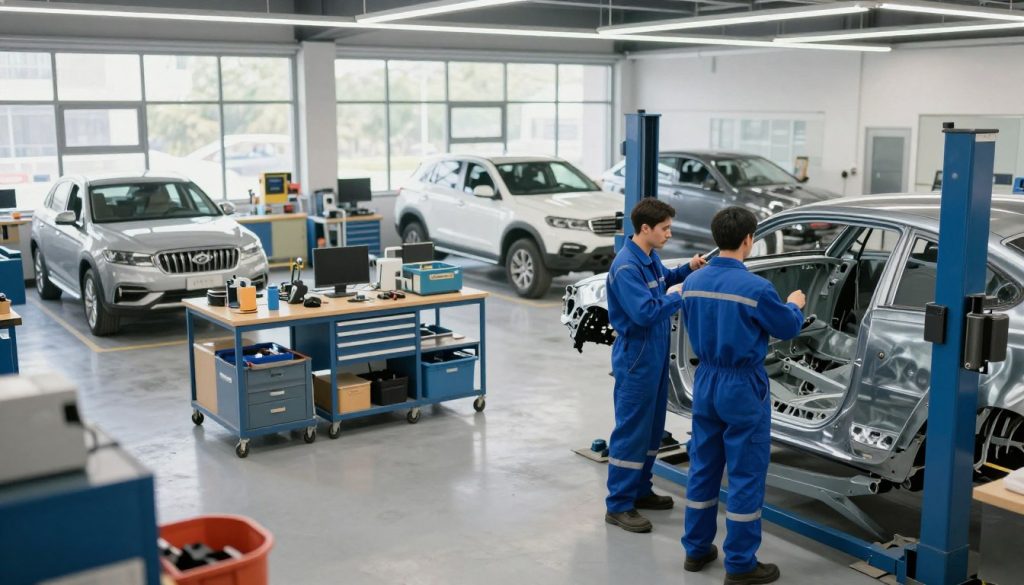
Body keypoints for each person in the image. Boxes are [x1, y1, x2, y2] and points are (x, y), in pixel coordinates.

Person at [679, 207, 805, 585]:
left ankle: (696, 549)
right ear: (749, 239)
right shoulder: (757, 289)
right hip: (742, 386)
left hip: (706, 380)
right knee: (746, 472)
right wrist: (795, 304)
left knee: (703, 465)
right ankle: (740, 563)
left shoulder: (694, 281)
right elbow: (785, 327)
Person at [604, 198, 707, 533]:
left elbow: (665, 279)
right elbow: (646, 312)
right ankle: (618, 505)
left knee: (651, 430)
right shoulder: (626, 267)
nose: (669, 233)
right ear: (645, 228)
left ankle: (640, 490)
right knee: (632, 430)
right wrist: (679, 295)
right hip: (637, 357)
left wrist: (688, 269)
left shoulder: (648, 257)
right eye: (664, 228)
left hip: (655, 354)